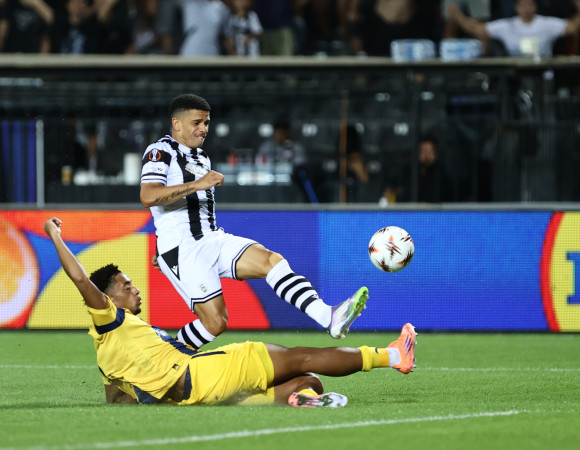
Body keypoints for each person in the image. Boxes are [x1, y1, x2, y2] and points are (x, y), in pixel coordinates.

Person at [42, 216, 417, 407]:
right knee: (303, 357)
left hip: (194, 394)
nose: (135, 289)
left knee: (310, 382)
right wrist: (55, 235)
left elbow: (117, 399)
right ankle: (392, 356)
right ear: (107, 298)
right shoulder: (108, 317)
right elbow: (80, 279)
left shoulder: (113, 350)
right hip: (207, 372)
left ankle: (297, 400)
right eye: (126, 286)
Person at [140, 93, 368, 350]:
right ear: (177, 123)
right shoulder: (160, 151)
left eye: (206, 122)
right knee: (215, 322)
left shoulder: (201, 157)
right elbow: (148, 196)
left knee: (271, 260)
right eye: (197, 122)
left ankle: (328, 316)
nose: (203, 129)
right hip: (183, 248)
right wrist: (195, 189)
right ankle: (164, 358)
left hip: (211, 238)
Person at [447, 0, 580, 58]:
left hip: (542, 70)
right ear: (517, 8)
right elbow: (479, 29)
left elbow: (572, 27)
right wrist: (458, 17)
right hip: (515, 73)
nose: (526, 8)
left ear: (535, 7)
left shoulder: (546, 24)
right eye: (523, 5)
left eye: (529, 4)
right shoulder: (508, 25)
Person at [381, 135, 453, 204]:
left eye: (430, 152)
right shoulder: (409, 171)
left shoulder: (441, 172)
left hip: (435, 211)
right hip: (410, 211)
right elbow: (393, 189)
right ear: (418, 153)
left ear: (436, 153)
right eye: (424, 151)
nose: (427, 156)